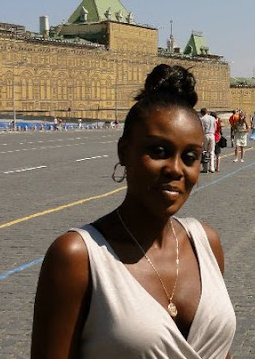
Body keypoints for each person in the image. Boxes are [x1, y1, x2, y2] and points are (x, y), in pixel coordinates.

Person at [31, 64, 236, 358]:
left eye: (190, 157)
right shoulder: (77, 257)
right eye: (159, 151)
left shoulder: (206, 244)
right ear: (124, 151)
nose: (175, 169)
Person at [200, 107, 216, 173]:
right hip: (212, 134)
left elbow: (202, 128)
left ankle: (205, 168)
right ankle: (212, 167)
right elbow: (215, 127)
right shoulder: (213, 118)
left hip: (206, 135)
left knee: (205, 151)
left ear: (202, 113)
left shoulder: (202, 119)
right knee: (212, 152)